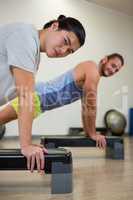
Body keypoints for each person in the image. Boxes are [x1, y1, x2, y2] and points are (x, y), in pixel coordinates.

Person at [0, 53, 124, 171]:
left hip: (39, 101)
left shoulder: (92, 74)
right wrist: (92, 134)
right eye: (113, 65)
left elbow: (85, 106)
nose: (113, 71)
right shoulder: (92, 69)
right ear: (104, 59)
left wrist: (88, 132)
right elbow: (90, 106)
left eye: (117, 70)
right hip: (37, 97)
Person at [0, 15, 86, 172]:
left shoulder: (34, 55)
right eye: (65, 42)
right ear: (54, 26)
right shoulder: (24, 36)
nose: (63, 51)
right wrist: (25, 145)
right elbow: (25, 95)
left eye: (69, 51)